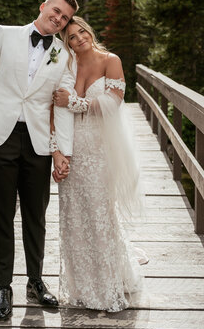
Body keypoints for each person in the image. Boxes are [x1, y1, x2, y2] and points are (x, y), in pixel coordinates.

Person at [0, 0, 79, 320]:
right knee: (1, 214)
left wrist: (61, 151)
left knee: (36, 216)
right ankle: (4, 286)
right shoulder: (4, 35)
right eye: (55, 11)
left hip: (39, 142)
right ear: (43, 6)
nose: (58, 19)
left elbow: (62, 106)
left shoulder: (62, 53)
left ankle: (35, 282)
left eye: (65, 18)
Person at [52, 16, 147, 312]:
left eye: (82, 32)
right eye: (71, 37)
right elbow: (52, 108)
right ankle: (81, 287)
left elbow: (113, 102)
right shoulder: (64, 67)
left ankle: (108, 285)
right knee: (73, 213)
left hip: (99, 148)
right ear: (65, 43)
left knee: (99, 212)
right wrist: (57, 151)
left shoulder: (110, 60)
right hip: (72, 147)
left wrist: (74, 102)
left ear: (89, 32)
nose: (80, 39)